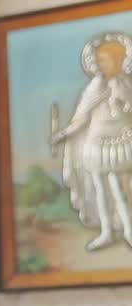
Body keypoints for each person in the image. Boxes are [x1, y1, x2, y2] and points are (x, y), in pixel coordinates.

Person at [51, 34, 132, 250]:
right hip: (96, 144)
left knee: (119, 190)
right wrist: (62, 134)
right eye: (99, 60)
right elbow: (81, 118)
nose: (99, 64)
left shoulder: (125, 84)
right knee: (100, 190)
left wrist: (124, 101)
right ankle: (107, 232)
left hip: (120, 142)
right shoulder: (94, 87)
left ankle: (128, 230)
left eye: (105, 60)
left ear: (119, 61)